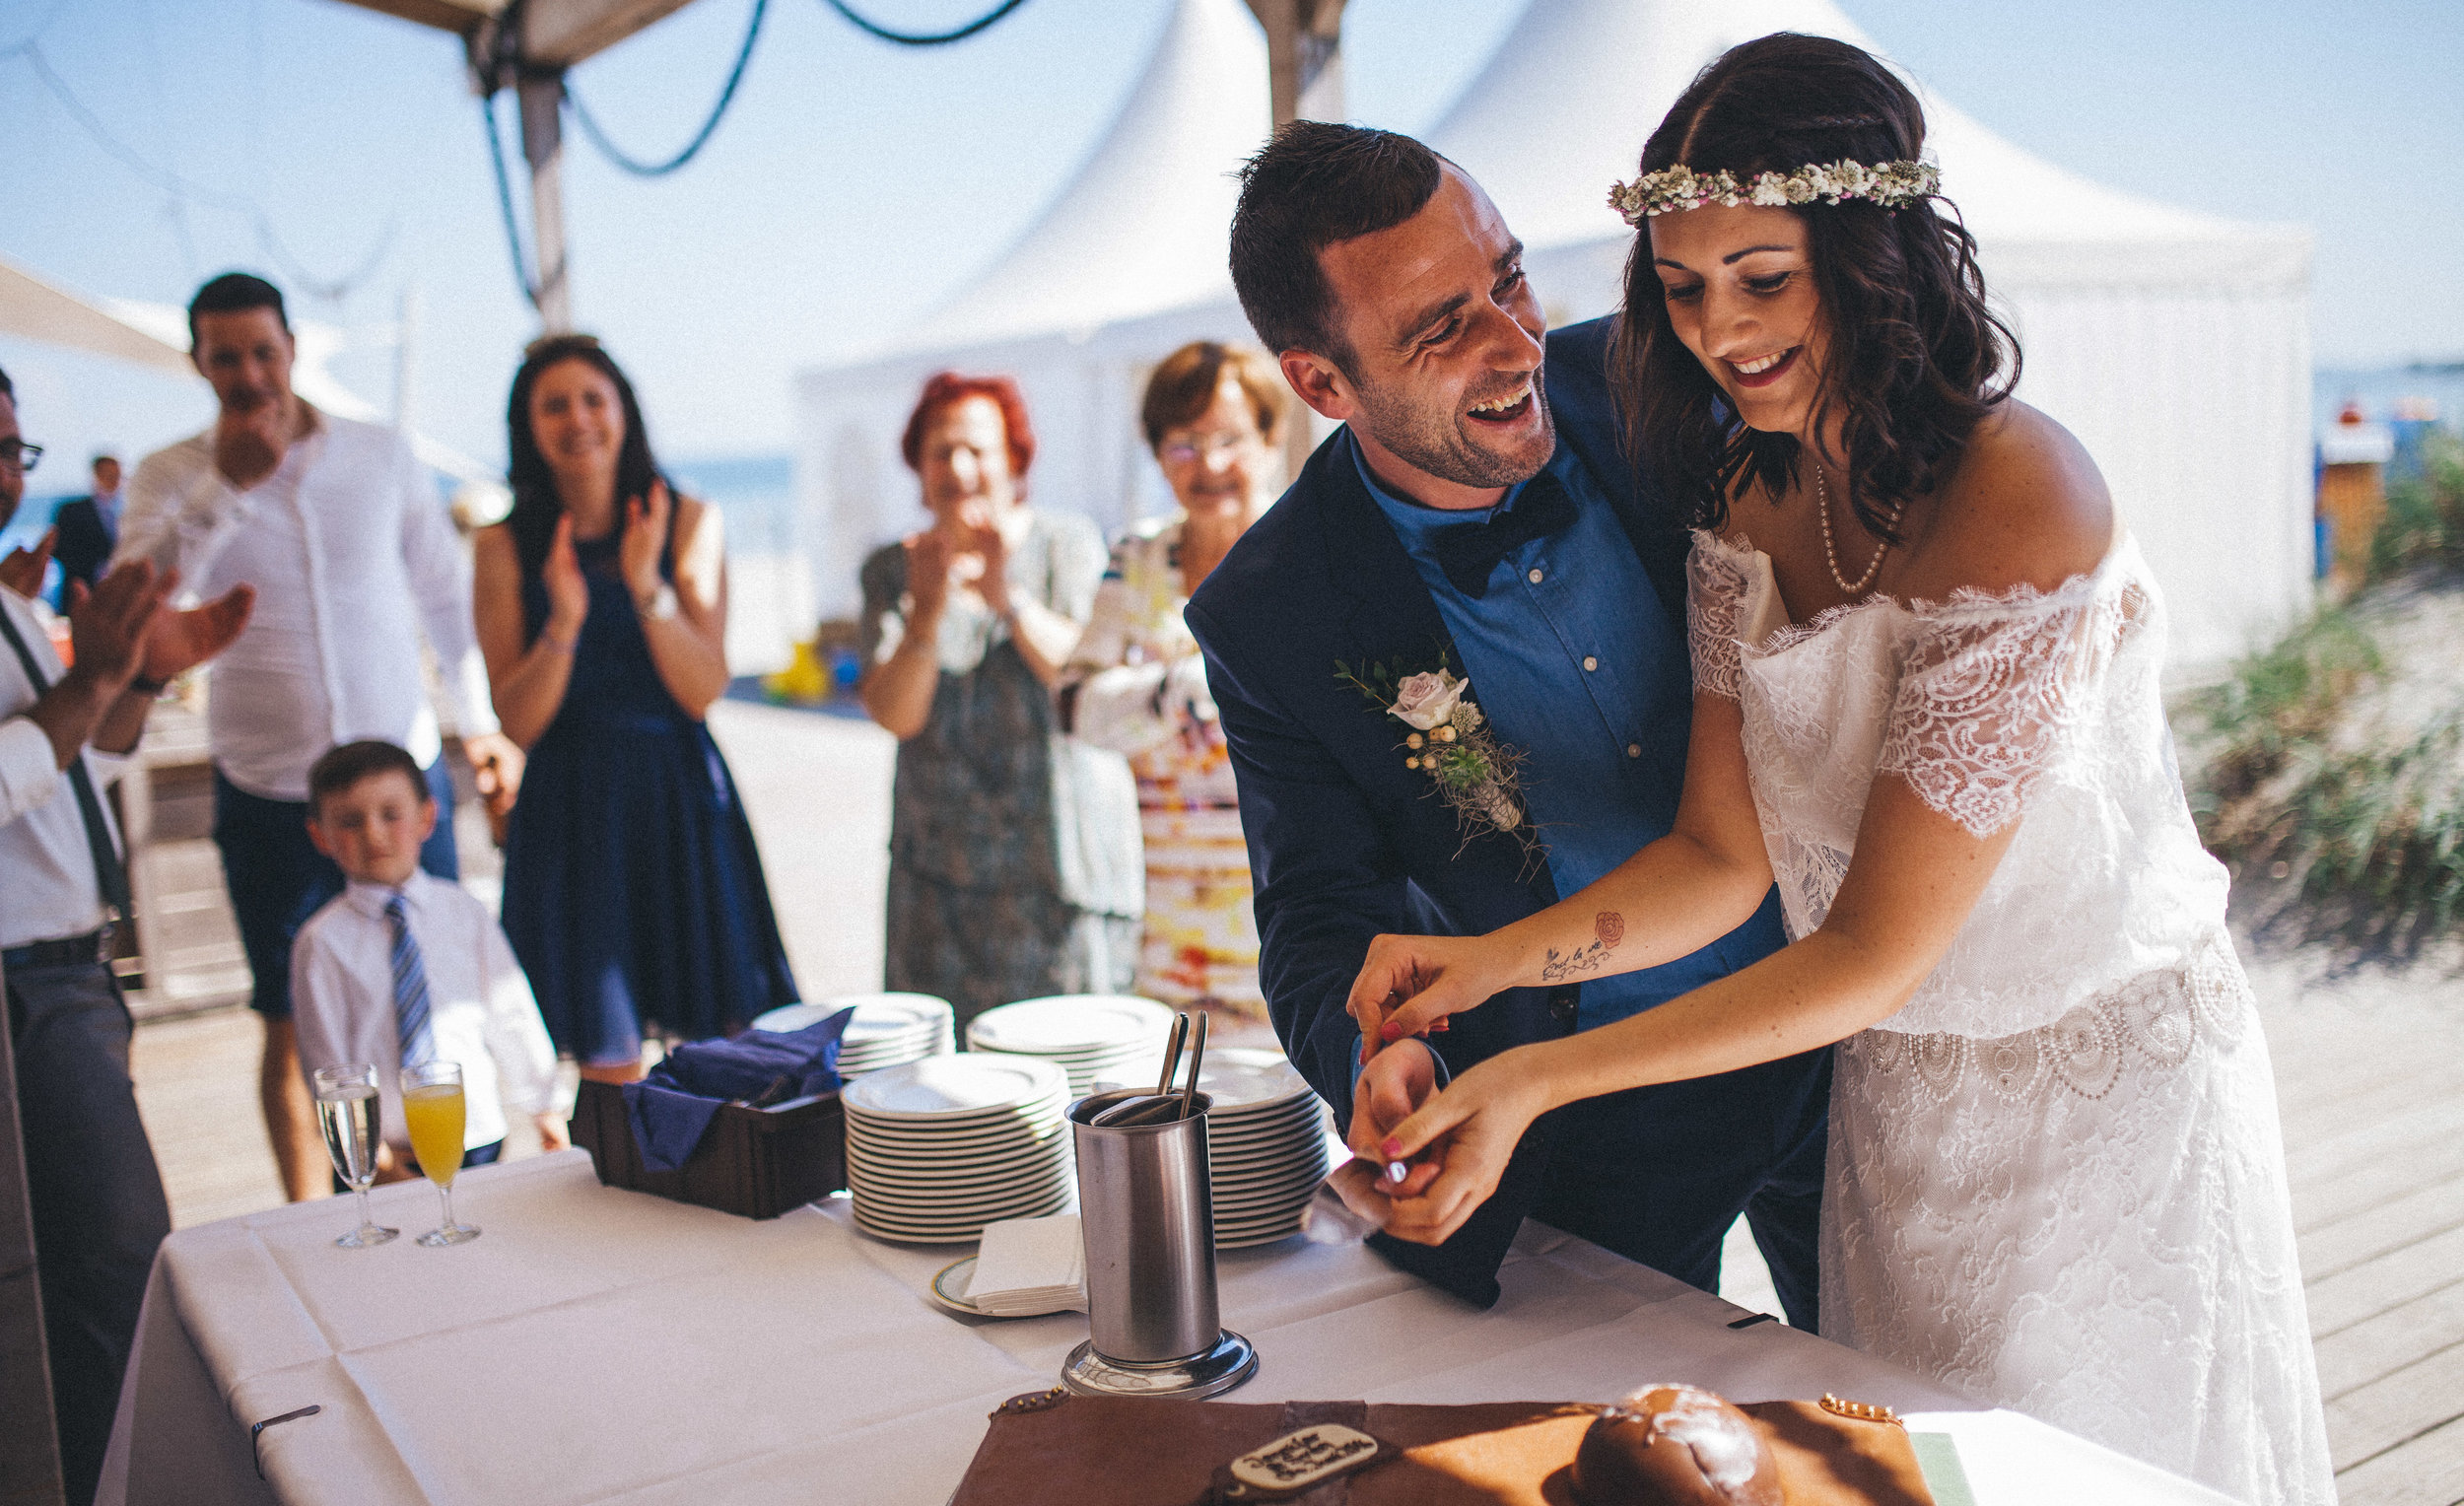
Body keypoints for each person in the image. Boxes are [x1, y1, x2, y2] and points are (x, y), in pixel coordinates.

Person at [1339, 36, 2331, 1504]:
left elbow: (1869, 951)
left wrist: (1537, 1078)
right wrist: (1485, 967)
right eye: (1680, 288)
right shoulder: (1745, 494)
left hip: (2104, 1116)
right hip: (1902, 1116)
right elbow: (1719, 857)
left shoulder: (2022, 496)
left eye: (1763, 275)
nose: (1718, 330)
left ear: (1871, 259)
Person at [1184, 122, 1826, 1315]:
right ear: (1320, 383)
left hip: (1855, 1029)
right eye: (1443, 327)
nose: (1515, 340)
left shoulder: (1665, 378)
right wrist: (1384, 1053)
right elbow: (1318, 912)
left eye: (1510, 278)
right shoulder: (1267, 614)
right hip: (1590, 1107)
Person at [116, 272, 520, 1202]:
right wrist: (228, 488)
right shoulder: (169, 476)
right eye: (228, 358)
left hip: (401, 776)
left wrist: (482, 727)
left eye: (264, 350)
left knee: (442, 986)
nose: (251, 374)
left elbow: (442, 598)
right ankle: (319, 1226)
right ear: (199, 364)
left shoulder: (381, 453)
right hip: (272, 789)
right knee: (291, 1018)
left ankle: (463, 1196)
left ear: (293, 346)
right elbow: (139, 611)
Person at [0, 363, 251, 1506]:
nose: (6, 471)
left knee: (100, 1279)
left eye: (14, 447)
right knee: (115, 1279)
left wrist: (136, 684)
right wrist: (91, 673)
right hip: (24, 985)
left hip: (71, 973)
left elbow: (73, 773)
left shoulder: (9, 599)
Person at [474, 335, 797, 1083]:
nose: (577, 419)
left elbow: (702, 688)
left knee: (724, 1049)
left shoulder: (688, 519)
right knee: (606, 1060)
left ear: (624, 411)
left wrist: (647, 587)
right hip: (570, 806)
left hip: (677, 795)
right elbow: (518, 721)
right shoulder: (502, 546)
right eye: (554, 405)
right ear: (529, 426)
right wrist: (562, 619)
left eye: (593, 399)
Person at [858, 374, 1141, 1027]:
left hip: (1061, 876)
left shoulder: (1065, 544)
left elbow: (1081, 676)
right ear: (917, 465)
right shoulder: (891, 570)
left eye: (977, 450)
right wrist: (927, 614)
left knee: (1080, 1079)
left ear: (1014, 459)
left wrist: (1003, 596)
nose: (958, 469)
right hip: (939, 887)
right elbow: (896, 713)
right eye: (939, 452)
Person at [1061, 343, 1286, 1018]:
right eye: (1184, 444)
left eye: (1229, 439)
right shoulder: (1137, 560)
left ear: (1271, 441)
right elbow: (1072, 708)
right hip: (1165, 928)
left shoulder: (1309, 551)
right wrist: (1171, 692)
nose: (1210, 464)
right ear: (1157, 455)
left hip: (1293, 916)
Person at [292, 739, 564, 1176]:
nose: (374, 834)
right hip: (388, 1151)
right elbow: (326, 1058)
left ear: (427, 816)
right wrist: (368, 1151)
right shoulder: (322, 942)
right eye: (349, 822)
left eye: (391, 814)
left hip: (474, 1134)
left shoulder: (463, 912)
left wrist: (545, 1105)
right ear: (319, 835)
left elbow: (510, 1010)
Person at [52, 452, 122, 606]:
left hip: (113, 597)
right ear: (97, 475)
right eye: (110, 476)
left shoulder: (121, 513)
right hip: (79, 594)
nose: (116, 482)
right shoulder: (72, 510)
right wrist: (98, 568)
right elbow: (59, 550)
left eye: (118, 476)